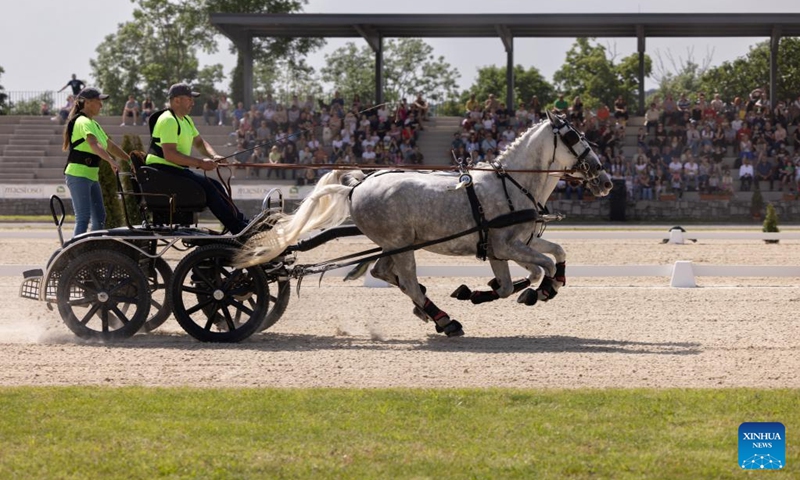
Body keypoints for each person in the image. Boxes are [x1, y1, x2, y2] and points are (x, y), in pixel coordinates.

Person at [145, 83, 249, 234]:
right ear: (176, 100)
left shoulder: (186, 120)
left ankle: (242, 223)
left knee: (215, 186)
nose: (192, 103)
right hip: (162, 171)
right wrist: (200, 163)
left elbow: (200, 143)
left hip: (174, 170)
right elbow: (170, 154)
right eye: (189, 99)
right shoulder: (169, 120)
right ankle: (238, 228)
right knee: (210, 188)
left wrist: (214, 156)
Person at [62, 87, 130, 236]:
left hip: (91, 176)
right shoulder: (82, 121)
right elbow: (93, 144)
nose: (101, 105)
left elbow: (110, 145)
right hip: (78, 175)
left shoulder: (94, 124)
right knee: (83, 218)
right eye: (98, 101)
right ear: (86, 103)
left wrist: (129, 159)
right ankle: (75, 255)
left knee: (99, 217)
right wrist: (111, 161)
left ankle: (93, 250)